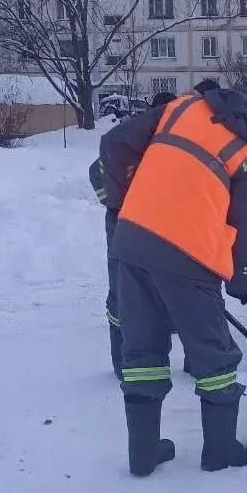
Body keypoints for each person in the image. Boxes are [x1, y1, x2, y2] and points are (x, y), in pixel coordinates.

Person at [98, 86, 247, 477]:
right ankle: (220, 450)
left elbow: (113, 142)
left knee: (143, 348)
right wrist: (241, 277)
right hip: (190, 251)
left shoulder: (186, 106)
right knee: (213, 353)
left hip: (130, 241)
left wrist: (123, 203)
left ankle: (144, 453)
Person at [89, 90, 175, 377]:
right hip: (124, 226)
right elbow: (96, 170)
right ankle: (122, 361)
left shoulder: (174, 144)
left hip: (159, 229)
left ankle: (160, 355)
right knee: (122, 293)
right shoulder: (133, 138)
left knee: (163, 292)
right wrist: (113, 202)